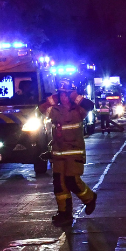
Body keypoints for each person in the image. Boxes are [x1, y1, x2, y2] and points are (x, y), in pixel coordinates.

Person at [42, 88, 97, 226]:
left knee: (71, 181)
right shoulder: (55, 110)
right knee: (59, 185)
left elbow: (90, 105)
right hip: (58, 155)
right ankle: (64, 213)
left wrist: (75, 96)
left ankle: (90, 198)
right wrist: (53, 97)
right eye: (62, 94)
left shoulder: (78, 110)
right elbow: (41, 108)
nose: (63, 97)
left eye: (66, 94)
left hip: (74, 153)